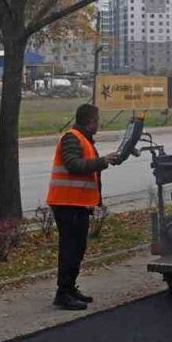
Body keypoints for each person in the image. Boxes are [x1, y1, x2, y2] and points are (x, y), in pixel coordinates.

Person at [46, 104, 121, 311]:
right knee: (70, 249)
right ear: (90, 121)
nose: (100, 123)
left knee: (77, 249)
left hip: (77, 203)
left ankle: (69, 288)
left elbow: (88, 164)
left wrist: (105, 161)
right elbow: (73, 165)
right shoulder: (71, 137)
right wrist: (101, 161)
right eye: (98, 119)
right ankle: (63, 293)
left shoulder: (83, 138)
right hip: (67, 203)